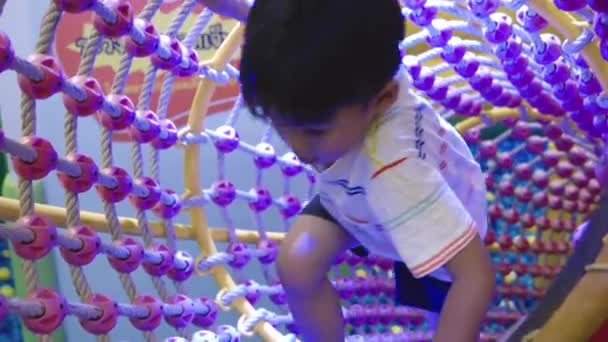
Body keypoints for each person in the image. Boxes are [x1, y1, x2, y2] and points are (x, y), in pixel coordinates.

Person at [197, 0, 496, 341]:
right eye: (279, 124)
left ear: (382, 100)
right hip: (352, 195)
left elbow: (474, 276)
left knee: (443, 312)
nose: (299, 150)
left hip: (431, 214)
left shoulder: (398, 175)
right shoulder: (351, 64)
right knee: (297, 264)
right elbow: (299, 32)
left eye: (314, 131)